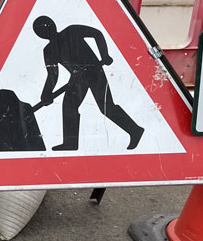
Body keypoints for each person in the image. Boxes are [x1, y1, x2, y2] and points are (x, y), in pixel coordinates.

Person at [33, 16, 144, 151]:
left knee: (106, 106)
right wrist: (46, 93)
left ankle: (135, 130)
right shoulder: (49, 50)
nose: (46, 31)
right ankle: (70, 143)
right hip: (76, 79)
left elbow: (97, 34)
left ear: (53, 24)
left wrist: (104, 55)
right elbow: (53, 75)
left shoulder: (71, 31)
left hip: (94, 72)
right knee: (69, 107)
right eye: (41, 31)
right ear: (40, 35)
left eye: (47, 27)